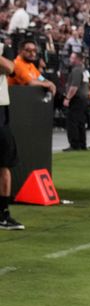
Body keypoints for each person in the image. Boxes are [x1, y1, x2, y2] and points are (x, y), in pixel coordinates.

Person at [0, 43, 23, 230]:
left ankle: (3, 213)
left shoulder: (4, 47)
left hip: (0, 110)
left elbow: (9, 67)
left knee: (4, 163)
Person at [63, 52, 89, 152]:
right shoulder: (84, 70)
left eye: (72, 58)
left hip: (76, 99)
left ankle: (74, 144)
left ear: (77, 59)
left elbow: (74, 86)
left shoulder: (77, 70)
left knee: (72, 122)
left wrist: (68, 98)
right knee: (81, 122)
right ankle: (82, 144)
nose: (70, 60)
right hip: (84, 99)